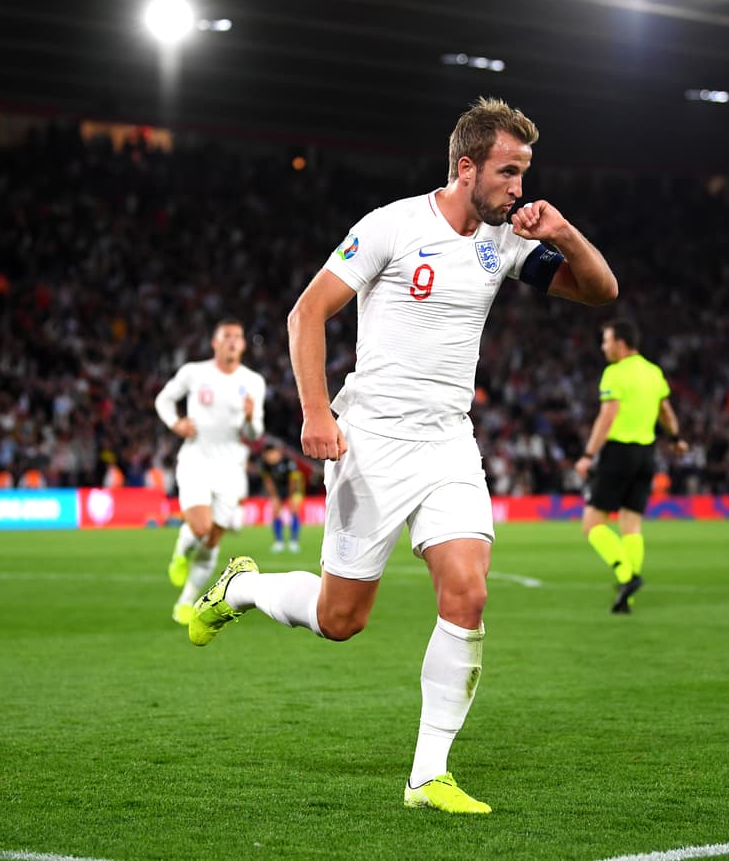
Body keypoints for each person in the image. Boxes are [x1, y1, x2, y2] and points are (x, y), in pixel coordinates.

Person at [186, 97, 618, 813]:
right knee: (340, 619)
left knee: (469, 589)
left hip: (449, 440)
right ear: (466, 166)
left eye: (524, 174)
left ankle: (428, 776)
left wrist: (565, 233)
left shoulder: (505, 241)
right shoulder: (391, 226)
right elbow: (306, 314)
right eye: (508, 172)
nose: (518, 188)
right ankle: (241, 589)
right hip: (373, 441)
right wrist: (318, 411)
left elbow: (601, 292)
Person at [154, 319, 265, 625]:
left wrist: (249, 417)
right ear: (214, 343)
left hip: (231, 468)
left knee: (213, 539)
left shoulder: (253, 381)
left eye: (237, 337)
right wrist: (176, 423)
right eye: (226, 336)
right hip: (196, 461)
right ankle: (180, 552)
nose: (232, 341)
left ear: (243, 345)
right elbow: (163, 399)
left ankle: (186, 602)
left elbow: (255, 433)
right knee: (201, 528)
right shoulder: (194, 372)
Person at [573, 320, 687, 614]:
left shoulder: (615, 373)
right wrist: (675, 439)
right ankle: (627, 599)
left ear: (621, 343)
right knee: (631, 525)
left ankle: (627, 576)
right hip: (647, 455)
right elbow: (666, 411)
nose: (603, 347)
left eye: (606, 341)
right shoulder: (653, 372)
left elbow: (607, 416)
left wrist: (588, 455)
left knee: (592, 524)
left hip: (618, 454)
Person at [259, 441, 305, 553]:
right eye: (267, 455)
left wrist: (290, 496)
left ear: (277, 453)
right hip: (278, 488)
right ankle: (278, 542)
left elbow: (293, 480)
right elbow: (268, 481)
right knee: (276, 512)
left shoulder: (288, 461)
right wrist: (275, 496)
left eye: (272, 453)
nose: (270, 457)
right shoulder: (265, 464)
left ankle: (294, 542)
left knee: (294, 510)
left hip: (293, 488)